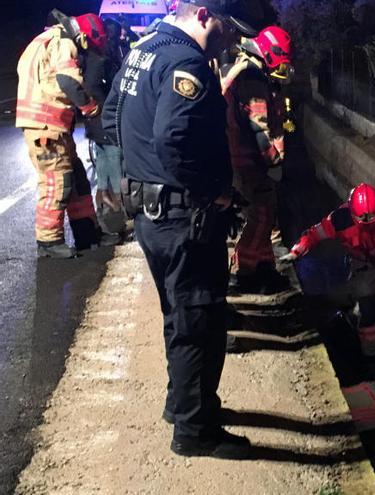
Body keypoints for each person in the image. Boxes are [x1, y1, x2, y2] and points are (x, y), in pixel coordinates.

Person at [102, 0, 256, 459]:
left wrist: (142, 169)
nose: (234, 40)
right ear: (204, 14)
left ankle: (181, 404)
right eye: (230, 29)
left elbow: (111, 119)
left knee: (179, 315)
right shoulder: (187, 62)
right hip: (185, 218)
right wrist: (216, 193)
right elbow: (175, 139)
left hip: (153, 216)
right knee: (200, 324)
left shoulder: (144, 48)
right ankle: (195, 431)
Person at [284, 183, 375, 358]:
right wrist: (296, 252)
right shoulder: (339, 220)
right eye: (363, 221)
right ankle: (372, 354)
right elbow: (313, 235)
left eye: (373, 220)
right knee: (368, 309)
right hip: (363, 264)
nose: (368, 225)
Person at [16, 11, 119, 258]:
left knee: (78, 178)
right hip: (45, 126)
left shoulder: (46, 39)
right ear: (84, 36)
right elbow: (67, 80)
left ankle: (87, 233)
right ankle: (48, 241)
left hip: (52, 124)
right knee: (57, 182)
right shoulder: (64, 42)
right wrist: (91, 108)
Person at [221, 26, 292, 294]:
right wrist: (273, 160)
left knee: (263, 214)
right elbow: (259, 128)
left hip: (239, 158)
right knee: (261, 216)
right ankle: (246, 271)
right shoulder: (253, 83)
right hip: (249, 162)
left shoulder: (245, 71)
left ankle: (263, 267)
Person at [82, 18, 126, 238]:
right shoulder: (101, 59)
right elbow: (92, 87)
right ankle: (116, 215)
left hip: (97, 122)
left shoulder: (99, 56)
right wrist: (106, 107)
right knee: (114, 161)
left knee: (104, 164)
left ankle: (107, 212)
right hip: (103, 122)